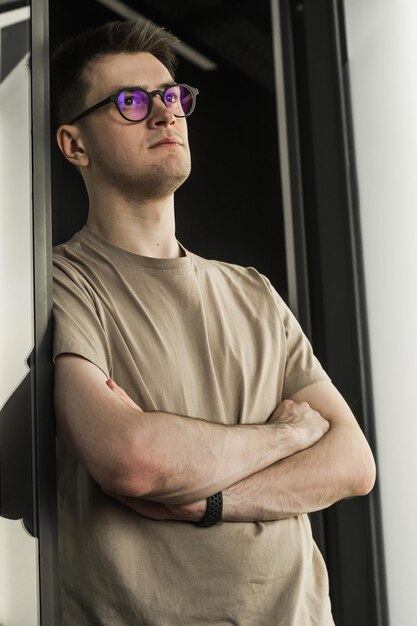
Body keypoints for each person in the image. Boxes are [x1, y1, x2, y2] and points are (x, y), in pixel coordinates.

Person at [50, 19, 376, 626]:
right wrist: (286, 437)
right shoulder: (60, 283)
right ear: (75, 145)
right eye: (130, 102)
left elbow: (353, 463)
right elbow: (132, 459)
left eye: (171, 97)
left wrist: (213, 501)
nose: (164, 114)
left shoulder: (253, 291)